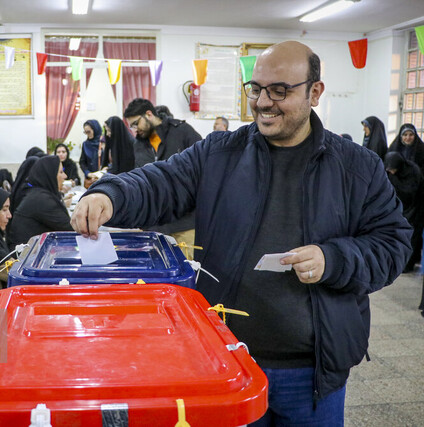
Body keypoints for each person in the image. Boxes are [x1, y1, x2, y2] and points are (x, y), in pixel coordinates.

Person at [71, 41, 412, 426]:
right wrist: (110, 194)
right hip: (227, 360)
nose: (264, 102)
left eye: (280, 90)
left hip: (313, 372)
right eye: (256, 88)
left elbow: (393, 244)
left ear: (314, 92)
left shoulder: (357, 168)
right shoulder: (219, 153)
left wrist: (332, 259)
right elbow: (161, 181)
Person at [124, 98, 201, 248]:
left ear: (149, 114)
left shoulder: (182, 131)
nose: (135, 130)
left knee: (189, 267)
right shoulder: (139, 144)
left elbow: (203, 168)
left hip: (184, 223)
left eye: (136, 124)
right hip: (154, 224)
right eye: (131, 127)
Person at [9, 155, 72, 247]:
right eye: (61, 172)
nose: (65, 176)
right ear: (50, 175)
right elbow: (71, 229)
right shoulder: (42, 200)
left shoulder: (39, 193)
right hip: (26, 256)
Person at [384, 152, 424, 273]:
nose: (391, 172)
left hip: (416, 207)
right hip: (401, 208)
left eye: (393, 169)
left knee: (412, 236)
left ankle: (408, 263)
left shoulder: (413, 172)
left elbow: (409, 193)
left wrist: (394, 180)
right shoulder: (390, 172)